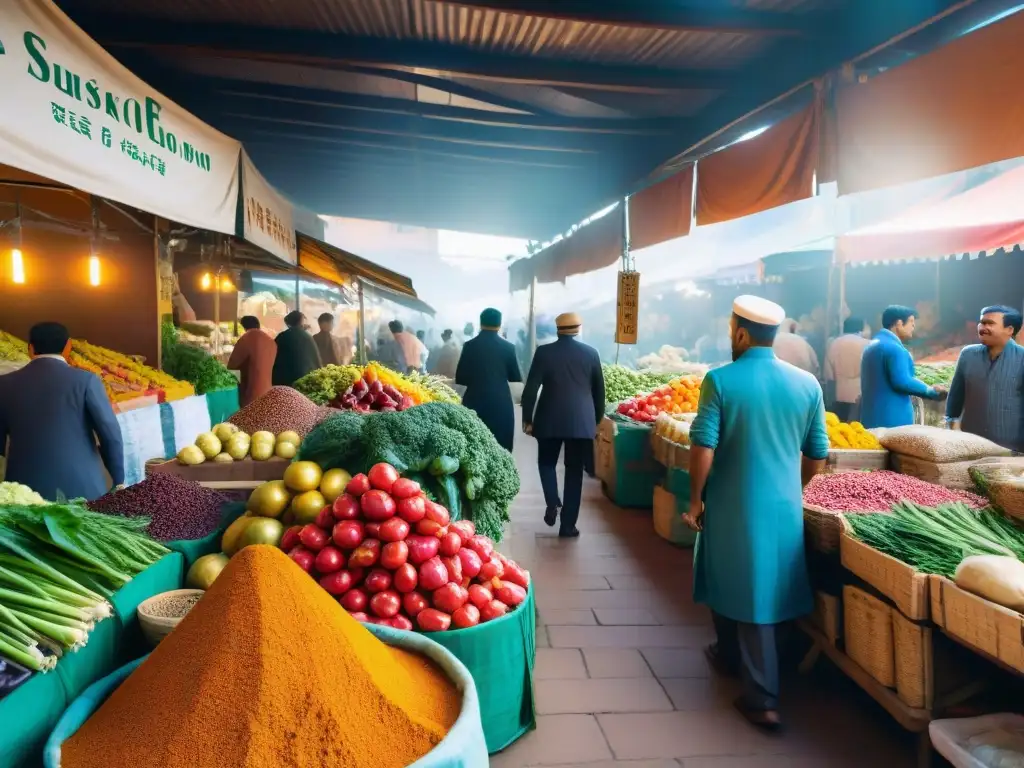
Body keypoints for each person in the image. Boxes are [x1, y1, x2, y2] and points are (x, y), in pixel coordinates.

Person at [683, 296, 828, 729]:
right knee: (767, 583)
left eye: (731, 329)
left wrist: (695, 500)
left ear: (741, 333)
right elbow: (818, 452)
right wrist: (794, 487)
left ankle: (762, 698)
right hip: (783, 507)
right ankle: (729, 656)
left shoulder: (720, 380)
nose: (731, 335)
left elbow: (703, 444)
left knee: (748, 591)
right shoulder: (807, 384)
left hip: (734, 505)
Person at [0, 322, 124, 501]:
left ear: (31, 348)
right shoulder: (86, 381)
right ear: (68, 347)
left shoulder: (4, 384)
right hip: (83, 489)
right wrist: (118, 480)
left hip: (24, 492)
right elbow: (110, 435)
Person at [521, 312, 605, 538]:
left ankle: (552, 501)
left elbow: (530, 390)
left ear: (557, 329)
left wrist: (527, 419)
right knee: (574, 471)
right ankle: (568, 526)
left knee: (546, 463)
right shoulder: (591, 354)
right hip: (581, 422)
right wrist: (595, 421)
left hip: (549, 419)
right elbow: (599, 393)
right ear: (578, 329)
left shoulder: (544, 353)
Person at [946, 305, 1024, 451]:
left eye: (990, 323)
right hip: (970, 444)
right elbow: (956, 395)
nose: (983, 327)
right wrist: (952, 423)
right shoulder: (968, 355)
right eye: (982, 322)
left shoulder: (1022, 358)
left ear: (1010, 330)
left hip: (1011, 449)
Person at [860, 305, 946, 429]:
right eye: (911, 321)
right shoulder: (896, 349)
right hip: (892, 421)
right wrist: (930, 391)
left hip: (870, 419)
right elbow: (902, 381)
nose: (914, 326)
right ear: (899, 323)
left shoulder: (872, 345)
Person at [456, 309, 522, 452]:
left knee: (473, 446)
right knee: (500, 447)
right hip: (500, 402)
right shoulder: (509, 347)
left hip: (474, 401)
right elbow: (514, 376)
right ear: (499, 324)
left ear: (481, 323)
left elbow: (461, 377)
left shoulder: (469, 346)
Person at [824, 317, 871, 421]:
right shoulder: (868, 344)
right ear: (861, 328)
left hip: (839, 397)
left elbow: (829, 375)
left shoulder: (834, 344)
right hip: (861, 397)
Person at [227, 316, 277, 407]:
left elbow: (232, 366)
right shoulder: (270, 341)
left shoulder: (247, 338)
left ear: (243, 326)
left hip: (250, 393)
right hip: (267, 391)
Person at [272, 311, 321, 387]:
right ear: (300, 321)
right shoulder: (307, 337)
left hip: (285, 382)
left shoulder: (282, 336)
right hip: (306, 381)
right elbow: (316, 360)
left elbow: (273, 358)